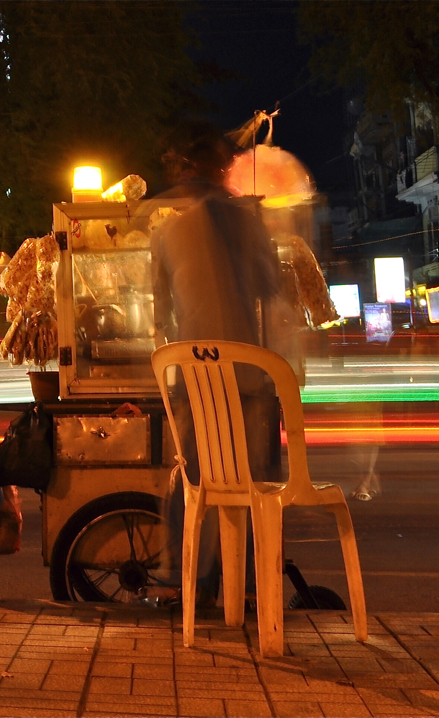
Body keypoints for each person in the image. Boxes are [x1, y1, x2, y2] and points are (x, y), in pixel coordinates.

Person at [148, 119, 284, 606]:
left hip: (196, 381)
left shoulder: (165, 232)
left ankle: (183, 578)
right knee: (252, 482)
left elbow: (158, 317)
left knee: (192, 480)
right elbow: (272, 289)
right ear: (222, 169)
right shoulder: (250, 223)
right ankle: (244, 585)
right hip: (253, 380)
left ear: (181, 171)